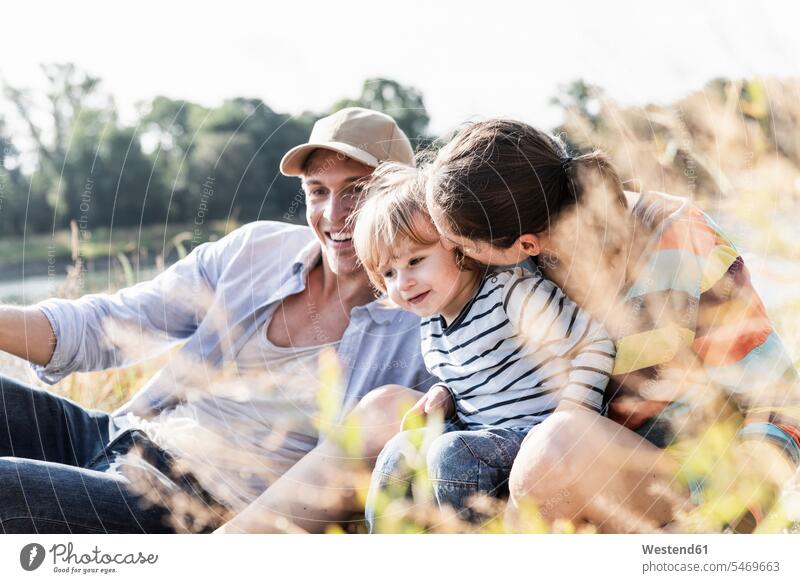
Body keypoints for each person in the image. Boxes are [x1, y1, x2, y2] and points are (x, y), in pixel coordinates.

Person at [0, 107, 435, 534]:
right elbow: (111, 323)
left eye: (357, 191)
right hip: (116, 435)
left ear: (399, 198)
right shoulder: (256, 250)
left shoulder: (421, 326)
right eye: (318, 190)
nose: (334, 214)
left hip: (184, 505)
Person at [422, 118, 800, 533]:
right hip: (577, 483)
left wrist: (731, 522)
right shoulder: (520, 273)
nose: (458, 261)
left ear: (525, 243)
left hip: (693, 492)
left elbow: (778, 403)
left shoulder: (680, 242)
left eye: (461, 249)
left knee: (556, 448)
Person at [351, 163, 615, 531]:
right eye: (389, 273)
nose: (404, 283)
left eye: (415, 261)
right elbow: (471, 377)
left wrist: (573, 413)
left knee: (452, 455)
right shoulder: (432, 323)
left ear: (458, 247)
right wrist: (443, 393)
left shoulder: (511, 294)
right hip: (485, 435)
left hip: (537, 435)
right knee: (399, 451)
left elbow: (594, 341)